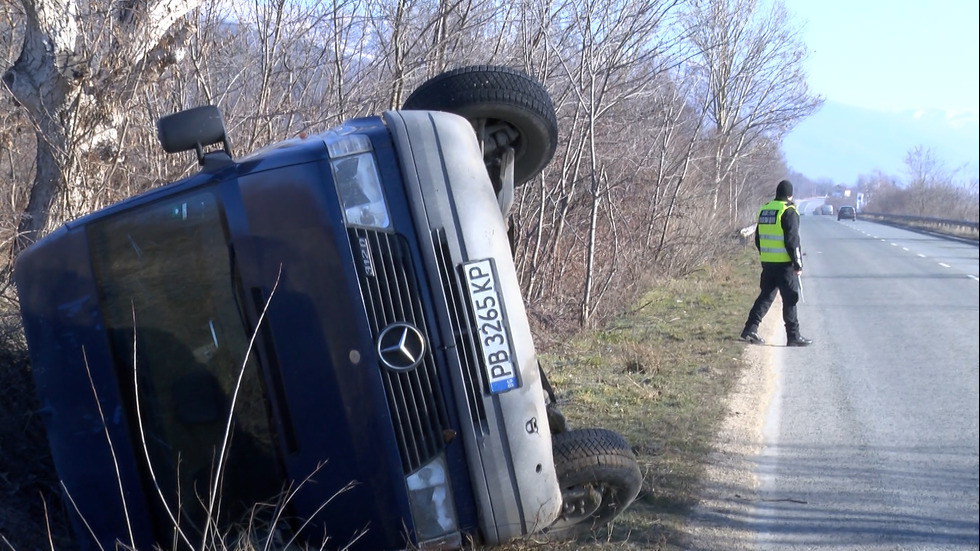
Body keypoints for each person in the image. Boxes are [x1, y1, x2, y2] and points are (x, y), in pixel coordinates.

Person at [740, 179, 813, 347]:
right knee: (790, 300)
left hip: (768, 262)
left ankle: (750, 329)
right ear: (790, 195)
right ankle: (793, 336)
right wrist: (798, 264)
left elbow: (758, 239)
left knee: (765, 297)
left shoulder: (765, 209)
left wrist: (765, 255)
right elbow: (792, 241)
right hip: (785, 264)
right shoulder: (788, 211)